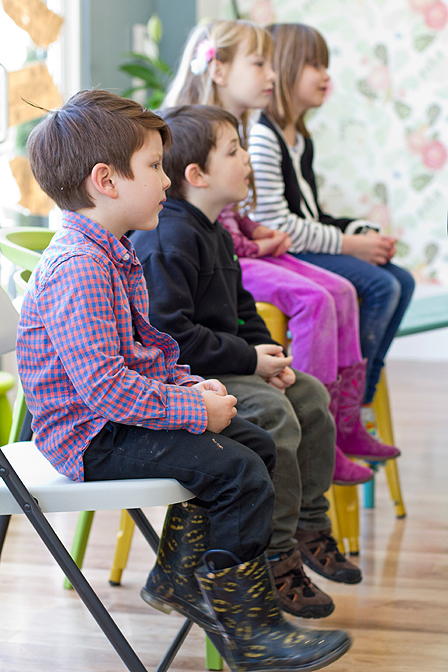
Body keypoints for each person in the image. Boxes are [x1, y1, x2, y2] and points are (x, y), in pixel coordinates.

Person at [16, 90, 351, 672]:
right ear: (107, 180)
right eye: (153, 167)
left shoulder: (113, 256)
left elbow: (145, 356)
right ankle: (249, 629)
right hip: (89, 439)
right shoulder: (79, 268)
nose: (167, 182)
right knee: (237, 469)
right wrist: (194, 413)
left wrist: (193, 389)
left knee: (255, 441)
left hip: (115, 423)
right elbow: (105, 390)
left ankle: (180, 575)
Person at [131, 104, 364, 628]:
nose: (246, 161)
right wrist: (249, 362)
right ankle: (274, 556)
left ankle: (308, 525)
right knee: (273, 413)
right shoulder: (169, 237)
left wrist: (271, 359)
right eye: (233, 151)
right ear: (198, 175)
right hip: (187, 373)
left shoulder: (212, 230)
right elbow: (171, 335)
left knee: (308, 395)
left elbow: (241, 311)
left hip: (227, 361)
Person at [162, 19, 400, 482]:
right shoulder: (195, 132)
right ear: (220, 69)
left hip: (236, 252)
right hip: (229, 258)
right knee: (317, 298)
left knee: (345, 290)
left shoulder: (246, 130)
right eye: (260, 63)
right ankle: (319, 427)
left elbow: (231, 219)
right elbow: (207, 228)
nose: (273, 74)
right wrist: (254, 240)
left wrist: (255, 234)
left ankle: (338, 419)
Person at [248, 23, 415, 424]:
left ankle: (360, 395)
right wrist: (349, 245)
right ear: (286, 68)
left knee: (403, 280)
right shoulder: (263, 137)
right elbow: (277, 222)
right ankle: (346, 409)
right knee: (380, 284)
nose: (326, 76)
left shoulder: (299, 140)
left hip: (304, 241)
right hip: (284, 251)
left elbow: (310, 213)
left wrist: (358, 230)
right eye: (314, 65)